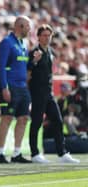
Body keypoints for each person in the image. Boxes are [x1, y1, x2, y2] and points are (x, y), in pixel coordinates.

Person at [28, 24, 80, 163]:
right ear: (38, 37)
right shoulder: (35, 52)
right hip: (37, 92)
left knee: (57, 120)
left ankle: (62, 153)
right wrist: (34, 61)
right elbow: (28, 72)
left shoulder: (50, 51)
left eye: (48, 35)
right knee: (37, 122)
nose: (46, 38)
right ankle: (34, 154)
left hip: (48, 93)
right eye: (44, 35)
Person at [0, 16, 32, 164]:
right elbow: (2, 66)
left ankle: (17, 153)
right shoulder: (7, 42)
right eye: (28, 26)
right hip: (11, 86)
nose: (30, 29)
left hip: (23, 87)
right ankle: (0, 153)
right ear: (20, 26)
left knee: (23, 119)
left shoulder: (24, 44)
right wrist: (4, 87)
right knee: (7, 118)